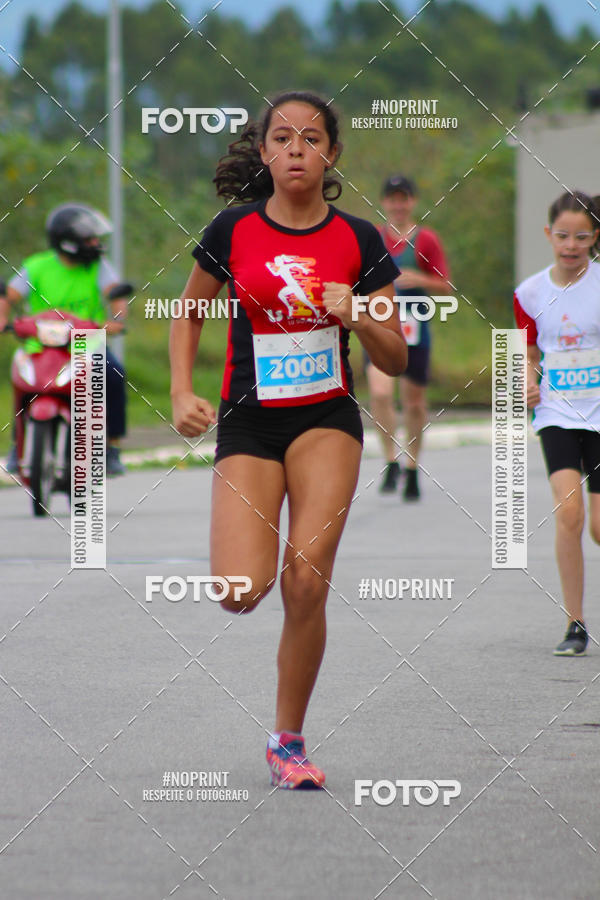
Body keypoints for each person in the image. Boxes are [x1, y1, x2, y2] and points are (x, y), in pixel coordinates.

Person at [170, 90, 407, 788]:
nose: (296, 149)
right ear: (266, 152)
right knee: (241, 588)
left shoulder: (361, 241)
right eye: (282, 138)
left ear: (331, 153)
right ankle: (249, 555)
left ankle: (289, 741)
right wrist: (182, 391)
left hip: (325, 418)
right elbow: (187, 311)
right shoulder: (232, 230)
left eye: (311, 138)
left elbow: (394, 355)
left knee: (306, 582)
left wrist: (360, 314)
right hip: (249, 419)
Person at [514, 190, 600, 656]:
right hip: (557, 413)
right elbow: (528, 353)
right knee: (569, 513)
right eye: (563, 236)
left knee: (598, 528)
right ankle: (575, 623)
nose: (571, 245)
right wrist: (529, 380)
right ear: (548, 235)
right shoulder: (529, 294)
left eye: (581, 237)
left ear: (595, 238)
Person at [0, 203, 128, 476]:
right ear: (68, 242)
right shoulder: (36, 266)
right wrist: (3, 319)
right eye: (89, 238)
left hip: (86, 343)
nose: (95, 243)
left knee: (114, 374)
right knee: (22, 382)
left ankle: (111, 448)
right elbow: (8, 296)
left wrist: (117, 319)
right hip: (40, 345)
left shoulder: (97, 266)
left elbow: (115, 292)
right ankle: (17, 445)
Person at [365, 175, 451, 499]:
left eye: (403, 199)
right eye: (392, 199)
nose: (398, 205)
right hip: (379, 326)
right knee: (381, 393)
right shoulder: (373, 237)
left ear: (412, 202)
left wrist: (419, 279)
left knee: (414, 403)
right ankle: (391, 460)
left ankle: (413, 466)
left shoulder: (426, 240)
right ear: (384, 203)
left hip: (415, 328)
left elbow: (446, 286)